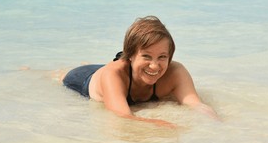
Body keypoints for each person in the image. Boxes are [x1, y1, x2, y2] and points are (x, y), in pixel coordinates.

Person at [62, 16, 218, 127]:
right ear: (130, 55)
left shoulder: (176, 72)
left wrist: (216, 123)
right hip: (82, 78)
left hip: (128, 71)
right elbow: (122, 117)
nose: (155, 66)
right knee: (61, 75)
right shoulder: (112, 75)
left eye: (162, 57)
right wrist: (158, 125)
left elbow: (196, 105)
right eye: (147, 56)